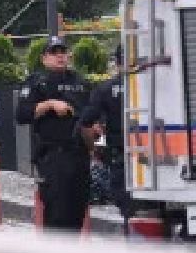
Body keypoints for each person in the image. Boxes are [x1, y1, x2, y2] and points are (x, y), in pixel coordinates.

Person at [16, 36, 91, 231]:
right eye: (54, 53)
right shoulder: (37, 82)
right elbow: (22, 114)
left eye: (63, 52)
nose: (60, 56)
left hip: (79, 154)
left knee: (77, 210)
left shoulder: (80, 82)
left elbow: (91, 113)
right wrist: (49, 104)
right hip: (53, 156)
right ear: (44, 58)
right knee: (57, 213)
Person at [80, 44, 131, 230]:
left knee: (130, 214)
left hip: (122, 158)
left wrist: (92, 149)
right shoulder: (157, 85)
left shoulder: (105, 89)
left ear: (117, 63)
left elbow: (85, 122)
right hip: (163, 157)